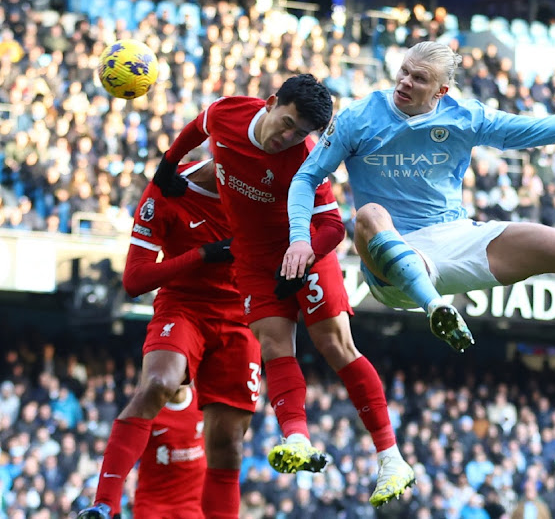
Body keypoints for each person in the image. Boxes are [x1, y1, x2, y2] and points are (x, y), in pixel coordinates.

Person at [283, 41, 555, 377]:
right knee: (369, 213)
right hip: (390, 259)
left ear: (440, 91)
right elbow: (306, 177)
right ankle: (436, 307)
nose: (405, 82)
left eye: (419, 78)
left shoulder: (465, 116)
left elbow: (545, 130)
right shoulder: (358, 116)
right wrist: (299, 239)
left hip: (453, 239)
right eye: (404, 72)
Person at [153, 74, 414, 506]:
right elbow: (197, 127)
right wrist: (169, 165)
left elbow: (333, 225)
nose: (288, 137)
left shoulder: (306, 158)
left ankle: (390, 457)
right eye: (288, 123)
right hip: (254, 257)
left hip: (306, 247)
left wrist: (304, 252)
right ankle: (296, 439)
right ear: (272, 102)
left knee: (334, 344)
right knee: (274, 345)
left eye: (301, 132)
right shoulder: (227, 113)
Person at [79, 159, 261, 519]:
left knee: (228, 445)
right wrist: (203, 255)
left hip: (239, 317)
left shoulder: (268, 187)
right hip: (184, 306)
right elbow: (133, 281)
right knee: (157, 383)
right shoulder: (170, 189)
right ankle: (104, 505)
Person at [134, 385, 206, 519]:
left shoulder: (205, 401)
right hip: (153, 505)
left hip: (193, 506)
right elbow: (124, 453)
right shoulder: (146, 408)